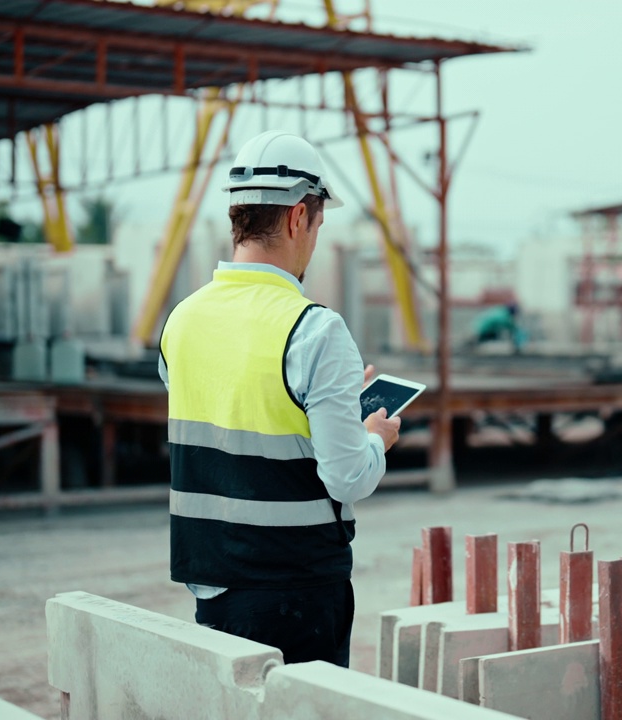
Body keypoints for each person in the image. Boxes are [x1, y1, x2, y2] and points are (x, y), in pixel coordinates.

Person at [158, 132, 401, 667]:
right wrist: (372, 438)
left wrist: (328, 402)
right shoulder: (315, 331)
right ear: (298, 218)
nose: (314, 237)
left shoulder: (182, 320)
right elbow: (348, 477)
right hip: (296, 595)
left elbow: (235, 410)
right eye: (318, 224)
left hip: (212, 587)